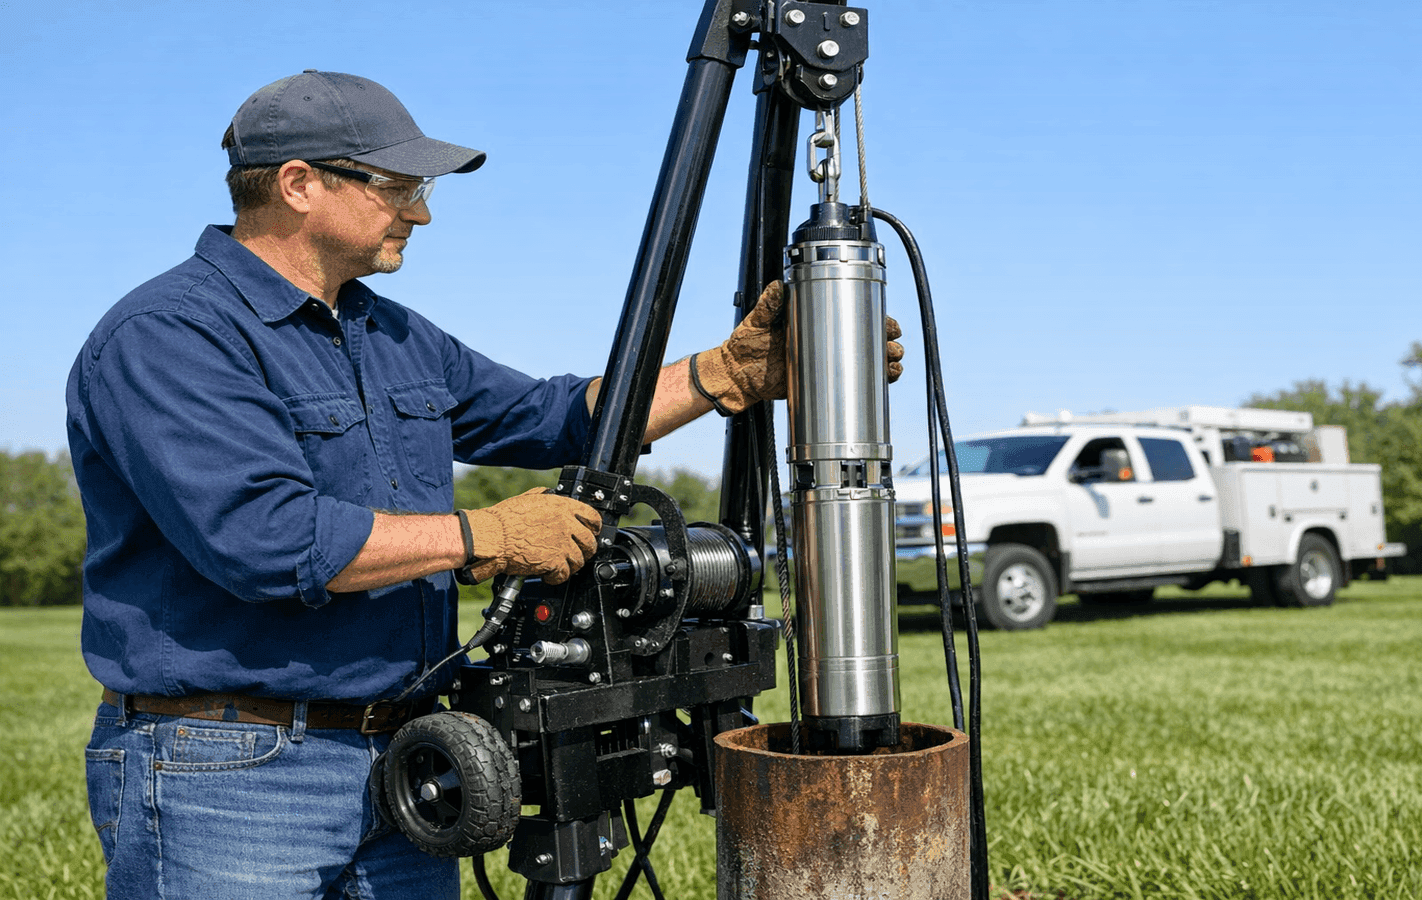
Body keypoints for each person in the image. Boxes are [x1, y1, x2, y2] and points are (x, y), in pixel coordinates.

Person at [67, 70, 901, 900]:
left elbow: (557, 417)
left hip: (409, 763)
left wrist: (725, 373)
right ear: (299, 185)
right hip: (232, 772)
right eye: (399, 186)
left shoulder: (389, 332)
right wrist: (485, 538)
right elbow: (266, 537)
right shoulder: (170, 336)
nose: (420, 211)